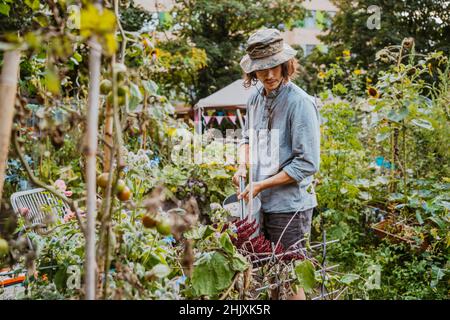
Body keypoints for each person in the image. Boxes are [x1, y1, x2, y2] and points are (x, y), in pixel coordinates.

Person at [232, 28, 321, 300]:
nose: (269, 75)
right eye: (262, 69)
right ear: (252, 72)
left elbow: (307, 163)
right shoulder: (255, 99)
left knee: (290, 277)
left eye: (274, 66)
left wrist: (262, 184)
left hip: (290, 206)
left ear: (285, 64)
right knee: (271, 274)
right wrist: (241, 166)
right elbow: (247, 138)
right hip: (262, 204)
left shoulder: (300, 103)